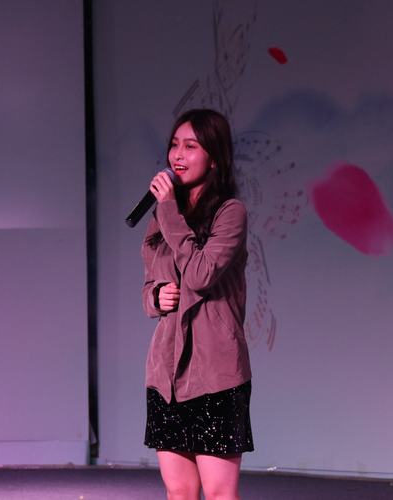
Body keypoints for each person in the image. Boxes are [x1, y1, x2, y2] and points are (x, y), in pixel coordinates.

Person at [140, 108, 253, 500]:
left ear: (214, 157)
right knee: (179, 492)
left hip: (215, 374)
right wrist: (155, 296)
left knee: (220, 493)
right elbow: (150, 285)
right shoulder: (163, 216)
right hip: (166, 375)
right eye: (174, 145)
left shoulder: (230, 213)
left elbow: (202, 274)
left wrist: (168, 209)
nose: (178, 155)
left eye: (191, 146)